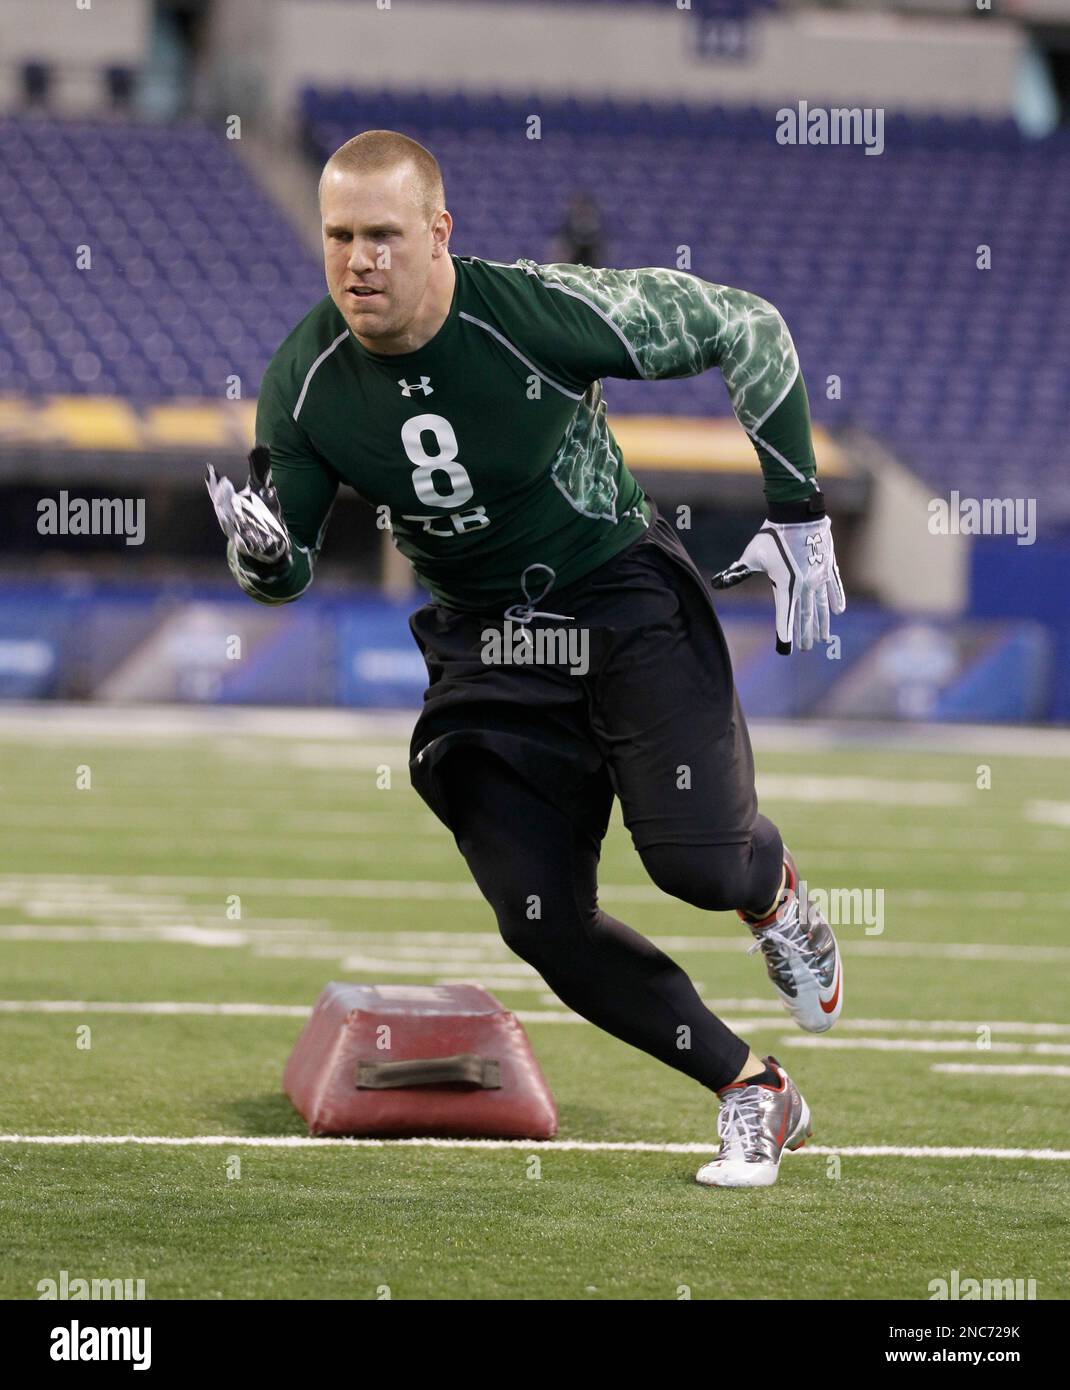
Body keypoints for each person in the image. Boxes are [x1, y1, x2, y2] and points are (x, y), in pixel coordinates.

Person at [206, 130, 847, 1188]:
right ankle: (752, 1091)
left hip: (620, 597)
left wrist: (799, 511)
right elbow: (289, 566)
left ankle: (769, 890)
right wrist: (261, 560)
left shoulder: (531, 310)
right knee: (540, 920)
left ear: (438, 234)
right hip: (486, 642)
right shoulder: (304, 380)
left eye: (381, 235)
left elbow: (751, 325)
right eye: (337, 237)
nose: (357, 260)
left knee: (696, 864)